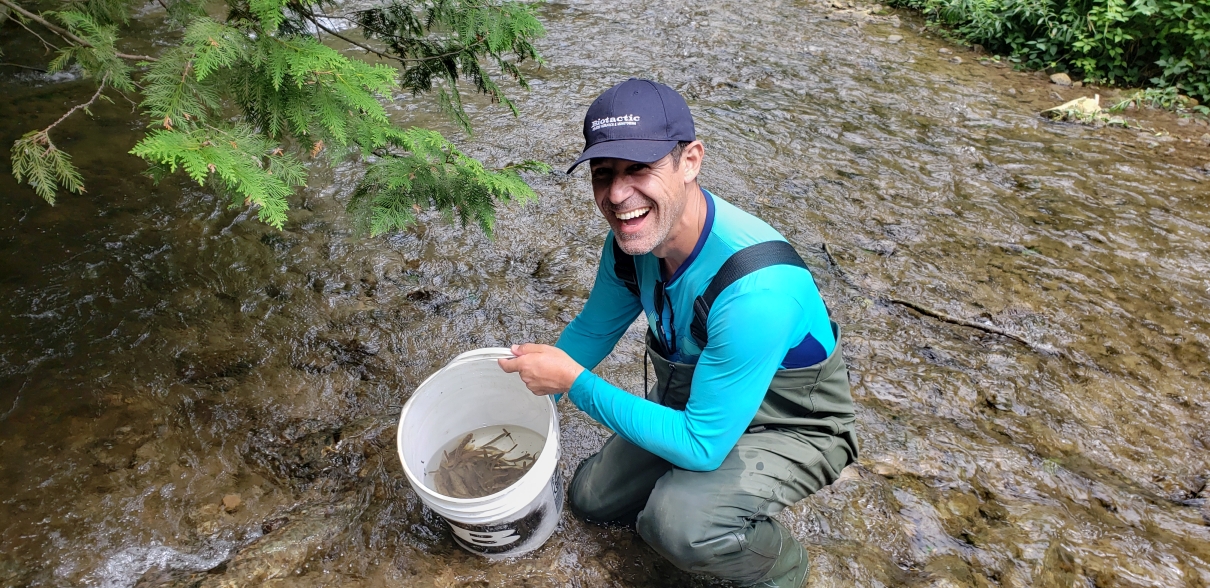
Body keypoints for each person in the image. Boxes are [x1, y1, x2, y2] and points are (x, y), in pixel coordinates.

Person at [498, 78, 858, 587]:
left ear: (690, 161)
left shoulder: (757, 292)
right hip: (703, 401)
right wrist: (518, 402)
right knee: (590, 499)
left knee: (677, 526)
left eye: (639, 169)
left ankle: (783, 571)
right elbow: (591, 332)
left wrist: (572, 383)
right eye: (604, 174)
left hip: (790, 426)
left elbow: (701, 445)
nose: (618, 196)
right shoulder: (631, 245)